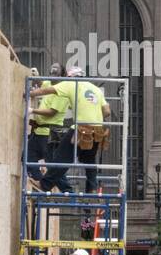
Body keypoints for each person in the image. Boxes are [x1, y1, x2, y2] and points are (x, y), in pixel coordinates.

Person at [28, 66, 111, 194]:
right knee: (89, 161)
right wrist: (93, 116)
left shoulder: (71, 84)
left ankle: (45, 185)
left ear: (70, 77)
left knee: (62, 158)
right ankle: (92, 190)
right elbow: (107, 111)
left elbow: (47, 90)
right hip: (97, 131)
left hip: (80, 128)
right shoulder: (96, 89)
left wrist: (30, 93)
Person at [27, 62, 70, 191]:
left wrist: (33, 111)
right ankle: (42, 184)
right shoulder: (49, 83)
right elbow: (41, 84)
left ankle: (68, 191)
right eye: (51, 74)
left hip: (50, 134)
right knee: (27, 158)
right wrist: (36, 76)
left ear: (62, 76)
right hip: (39, 131)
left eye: (55, 75)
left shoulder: (62, 92)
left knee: (53, 166)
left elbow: (52, 112)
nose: (52, 77)